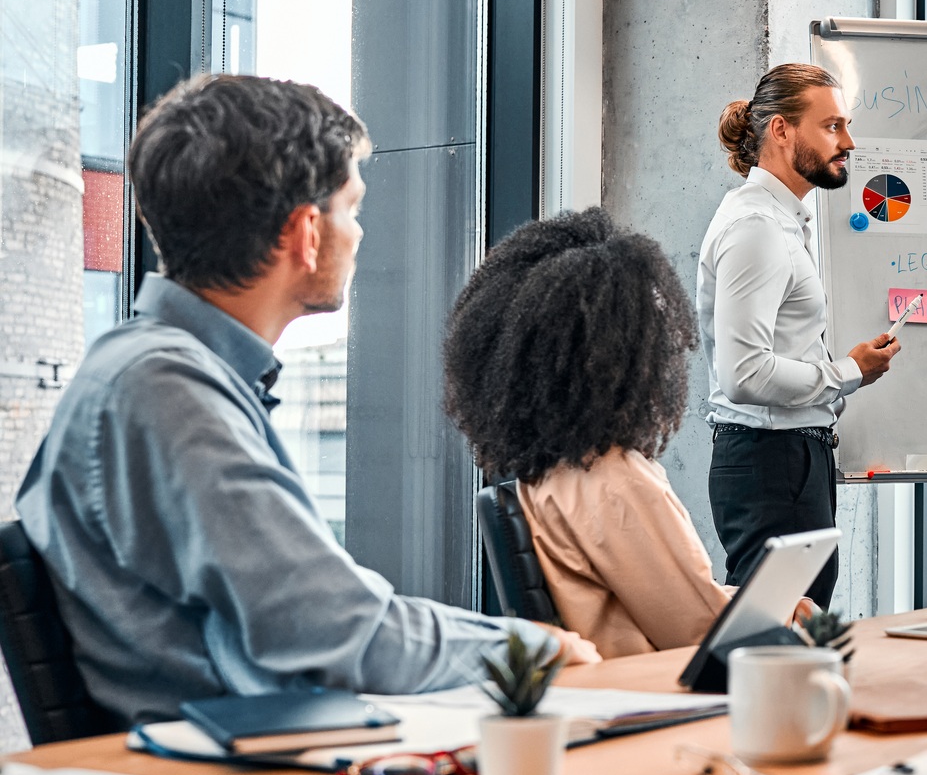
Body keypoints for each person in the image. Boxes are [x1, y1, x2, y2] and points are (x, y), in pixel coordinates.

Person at [15, 75, 598, 726]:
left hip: (253, 757)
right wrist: (530, 647)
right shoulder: (163, 389)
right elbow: (330, 629)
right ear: (307, 233)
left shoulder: (152, 369)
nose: (359, 233)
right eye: (352, 208)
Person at [443, 208, 734, 659]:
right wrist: (789, 612)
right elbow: (701, 631)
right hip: (654, 700)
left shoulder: (548, 476)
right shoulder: (615, 479)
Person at [699, 63, 899, 608]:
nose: (849, 142)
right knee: (777, 641)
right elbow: (743, 375)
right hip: (771, 462)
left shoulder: (780, 221)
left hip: (788, 459)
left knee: (792, 633)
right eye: (832, 126)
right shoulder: (757, 228)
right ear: (781, 131)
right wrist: (849, 372)